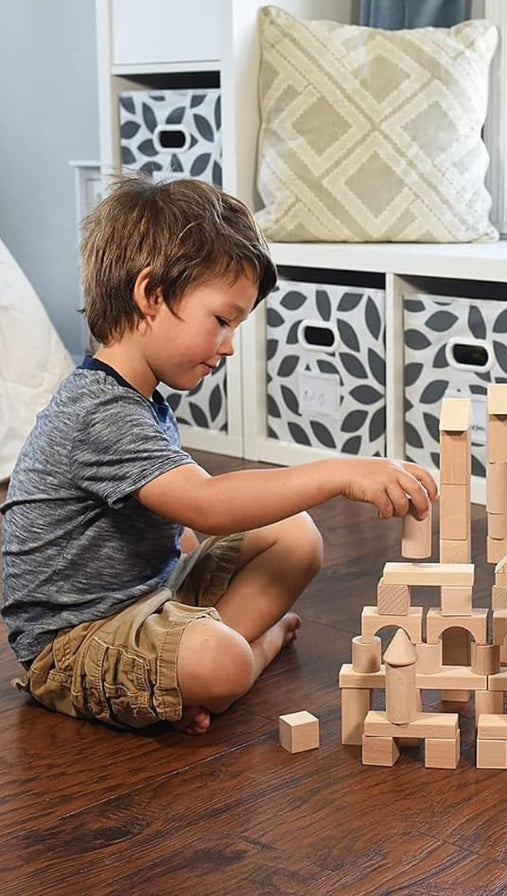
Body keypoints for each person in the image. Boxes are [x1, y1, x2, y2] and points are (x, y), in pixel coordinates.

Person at [1, 176, 437, 736]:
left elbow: (179, 520)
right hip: (74, 642)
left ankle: (185, 676)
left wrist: (187, 557)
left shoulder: (141, 399)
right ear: (151, 295)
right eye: (222, 320)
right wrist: (338, 471)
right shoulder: (98, 410)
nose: (229, 344)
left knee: (295, 534)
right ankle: (246, 657)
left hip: (144, 601)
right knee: (222, 661)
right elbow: (206, 504)